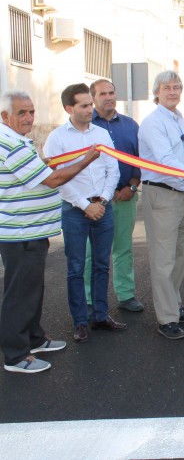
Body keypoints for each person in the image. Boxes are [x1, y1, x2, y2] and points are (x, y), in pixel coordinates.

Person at [0, 90, 99, 373]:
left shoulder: (17, 140)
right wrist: (85, 160)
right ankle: (16, 356)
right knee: (20, 294)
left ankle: (33, 339)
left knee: (31, 290)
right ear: (5, 116)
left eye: (31, 112)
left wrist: (56, 162)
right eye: (22, 113)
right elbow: (53, 180)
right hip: (20, 233)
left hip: (30, 231)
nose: (29, 118)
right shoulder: (10, 143)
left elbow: (38, 171)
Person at [43, 83, 125, 343]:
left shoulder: (100, 134)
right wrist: (84, 205)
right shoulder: (57, 138)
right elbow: (58, 178)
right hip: (74, 211)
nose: (91, 108)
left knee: (102, 266)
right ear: (69, 108)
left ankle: (101, 315)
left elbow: (113, 169)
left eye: (91, 104)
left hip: (103, 207)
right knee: (76, 269)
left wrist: (102, 199)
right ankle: (80, 321)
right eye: (85, 105)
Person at [138, 70, 184, 340]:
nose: (173, 92)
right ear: (156, 92)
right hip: (161, 194)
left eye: (177, 87)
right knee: (163, 260)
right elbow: (165, 159)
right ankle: (166, 318)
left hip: (182, 193)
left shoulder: (181, 121)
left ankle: (175, 304)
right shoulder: (152, 123)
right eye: (167, 87)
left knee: (180, 255)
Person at [85, 79, 143, 313]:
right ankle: (89, 300)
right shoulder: (85, 126)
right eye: (102, 94)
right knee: (92, 252)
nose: (109, 97)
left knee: (123, 248)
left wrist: (132, 185)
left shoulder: (130, 125)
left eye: (112, 92)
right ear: (93, 98)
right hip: (95, 201)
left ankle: (126, 294)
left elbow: (140, 158)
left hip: (125, 196)